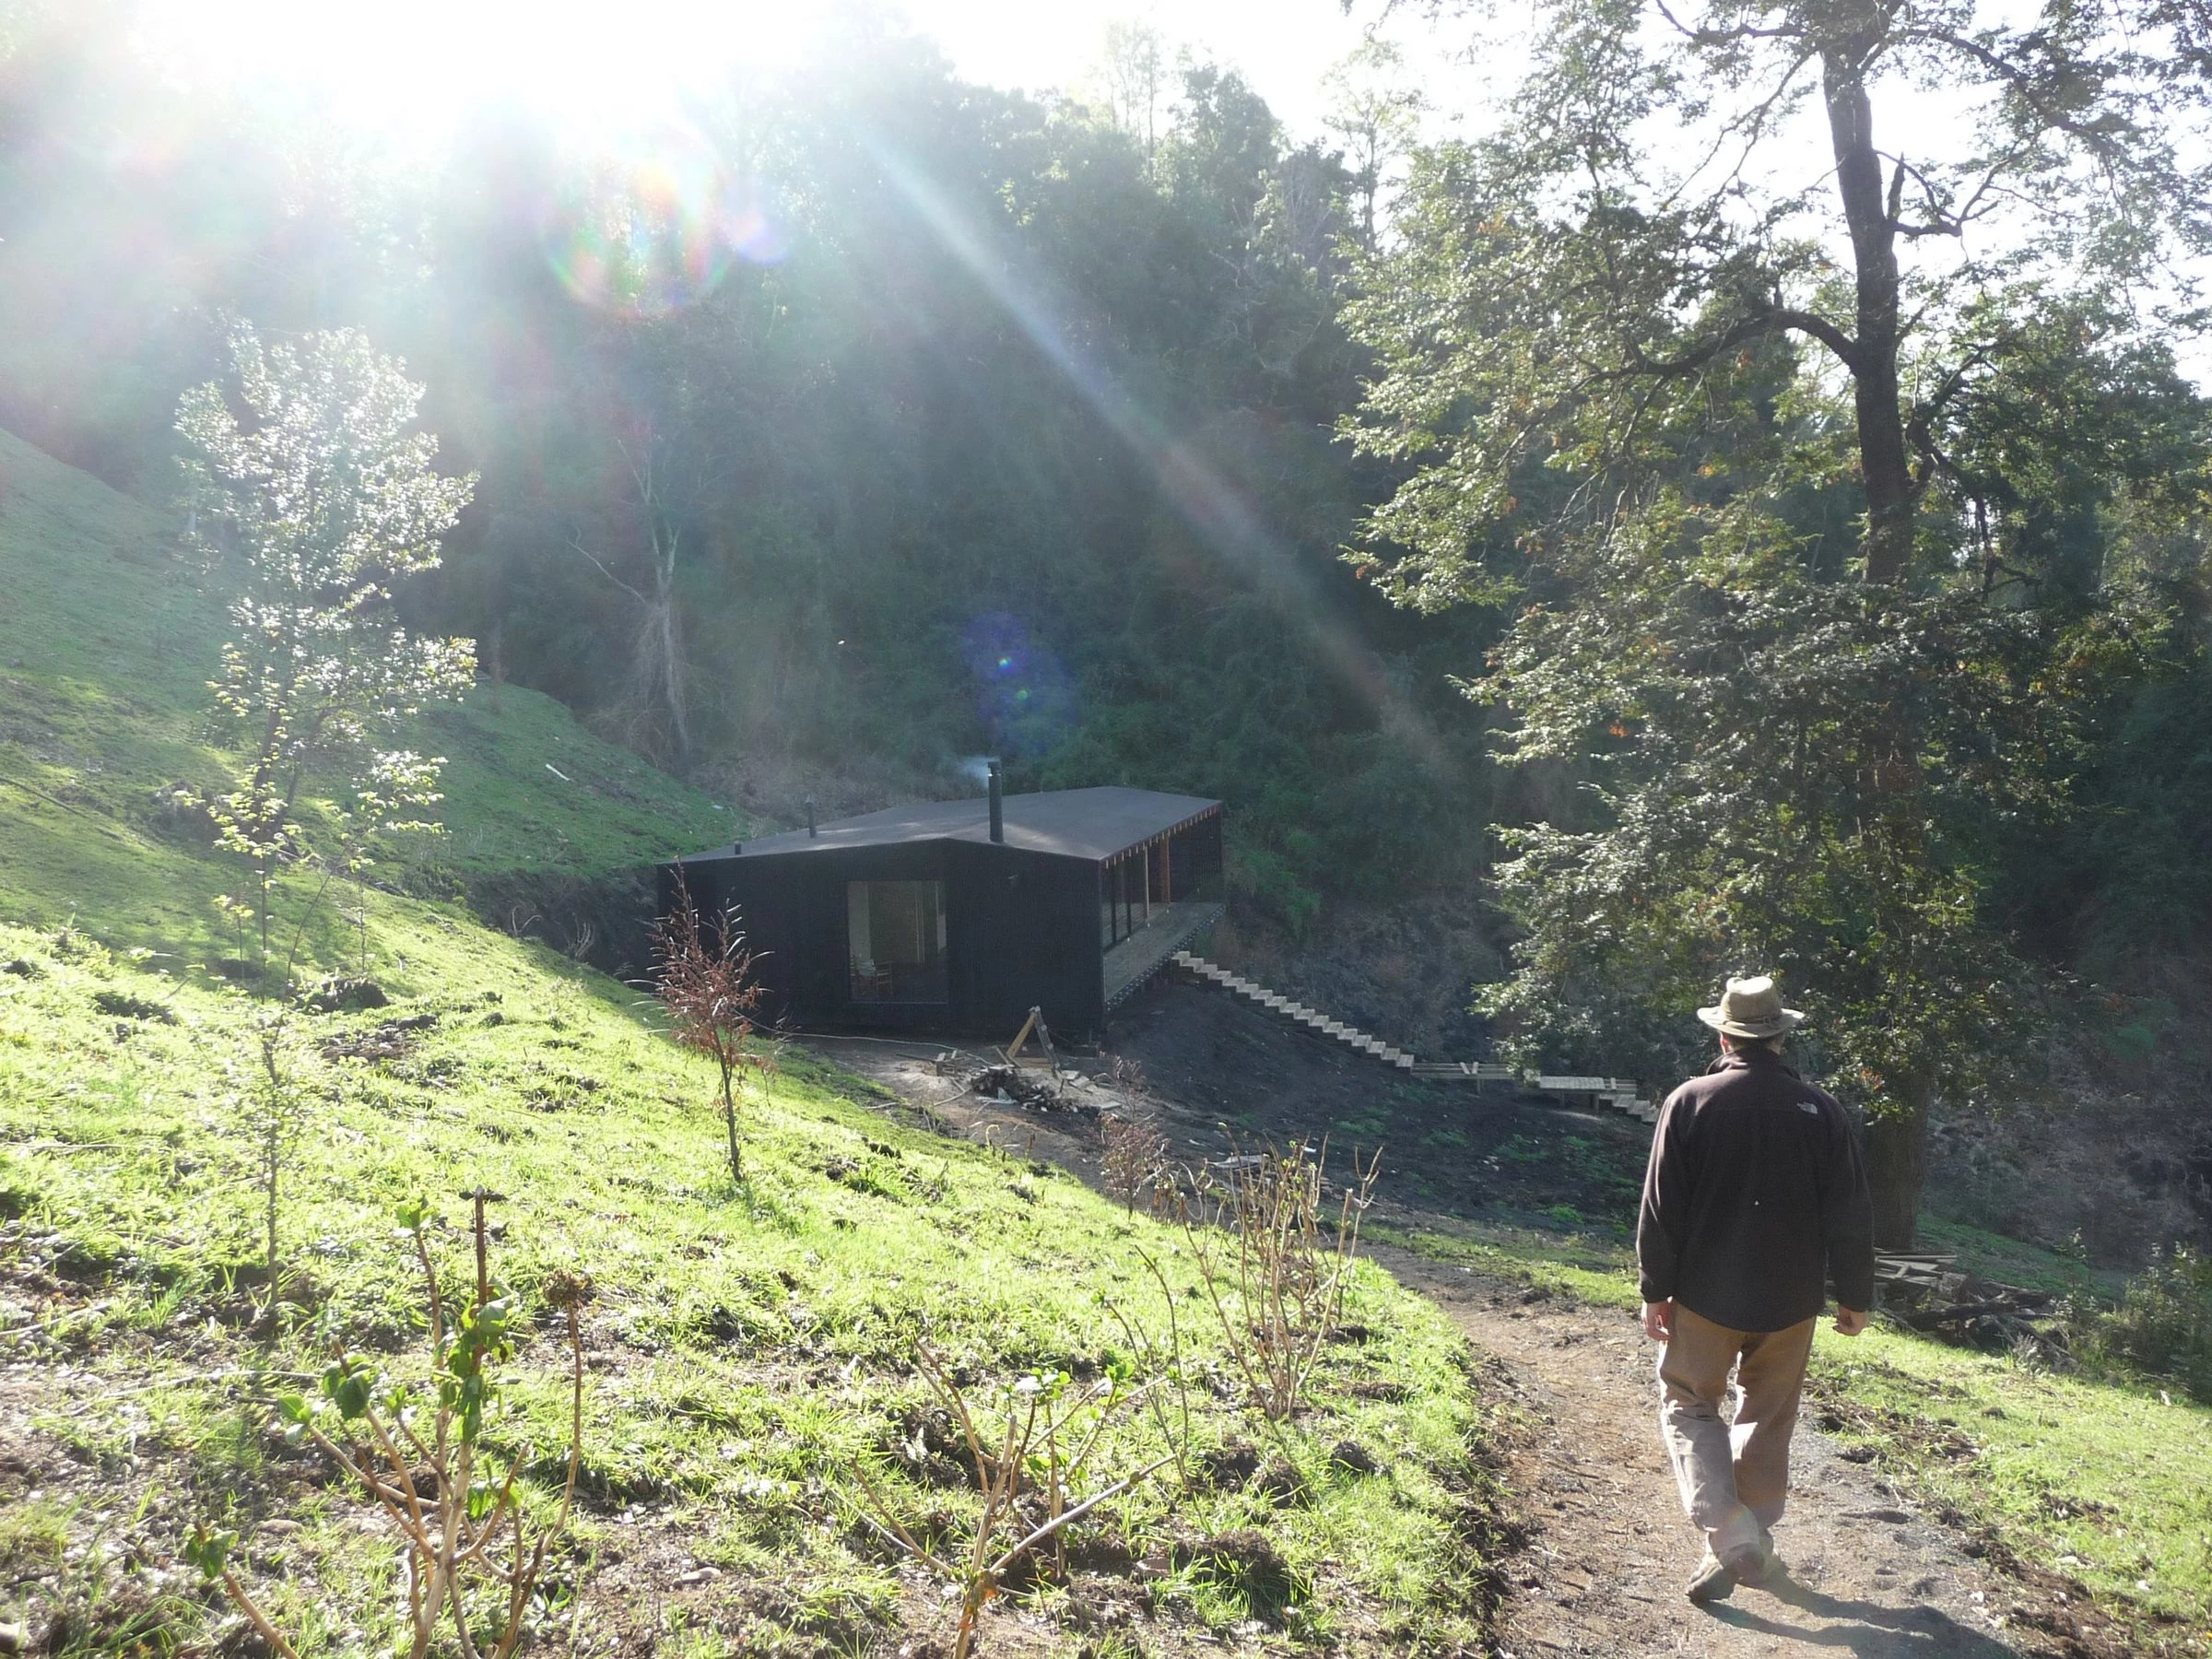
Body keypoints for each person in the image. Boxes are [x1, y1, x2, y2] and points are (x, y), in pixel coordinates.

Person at [1636, 974, 1876, 1605]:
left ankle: (1729, 1532)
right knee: (1767, 1418)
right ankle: (1749, 1536)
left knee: (1690, 1404)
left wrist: (1656, 1288)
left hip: (1704, 1295)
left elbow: (1661, 1207)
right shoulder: (1822, 1111)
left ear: (1724, 1036)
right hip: (1791, 1303)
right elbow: (1851, 1212)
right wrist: (1856, 1296)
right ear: (1779, 1039)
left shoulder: (1689, 1101)